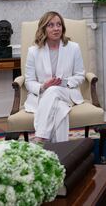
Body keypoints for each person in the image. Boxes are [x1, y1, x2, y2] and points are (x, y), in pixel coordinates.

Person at [24, 11, 85, 143]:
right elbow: (29, 81)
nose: (56, 28)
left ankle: (40, 137)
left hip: (66, 92)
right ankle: (61, 151)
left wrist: (64, 83)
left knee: (53, 90)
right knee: (59, 109)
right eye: (51, 25)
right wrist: (44, 86)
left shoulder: (73, 48)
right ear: (43, 28)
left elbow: (80, 76)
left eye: (59, 25)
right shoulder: (33, 51)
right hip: (43, 95)